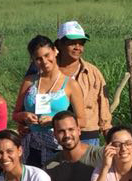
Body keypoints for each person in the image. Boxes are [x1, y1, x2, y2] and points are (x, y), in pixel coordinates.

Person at [12, 36, 84, 167]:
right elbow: (15, 114)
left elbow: (82, 121)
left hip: (58, 148)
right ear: (33, 61)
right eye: (38, 59)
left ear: (55, 51)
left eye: (47, 55)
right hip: (31, 148)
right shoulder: (29, 81)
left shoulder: (70, 85)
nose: (44, 61)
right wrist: (24, 116)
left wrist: (54, 122)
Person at [53, 22, 112, 145]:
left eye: (81, 43)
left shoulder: (92, 73)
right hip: (54, 136)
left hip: (87, 135)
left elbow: (103, 106)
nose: (77, 47)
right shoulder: (48, 72)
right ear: (59, 44)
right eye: (72, 43)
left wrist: (109, 135)